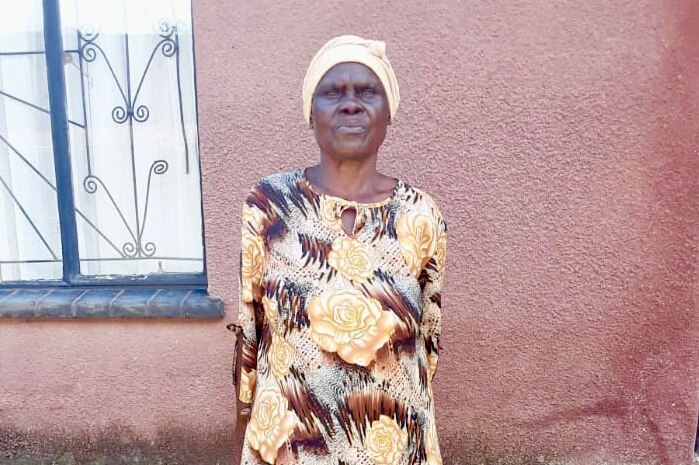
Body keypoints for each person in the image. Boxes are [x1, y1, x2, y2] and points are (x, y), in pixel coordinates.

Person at [229, 34, 447, 465]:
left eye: (367, 92)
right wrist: (246, 416)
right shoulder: (269, 205)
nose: (350, 104)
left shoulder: (421, 214)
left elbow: (427, 339)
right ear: (311, 113)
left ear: (389, 114)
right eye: (333, 92)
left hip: (394, 444)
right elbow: (250, 327)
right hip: (291, 445)